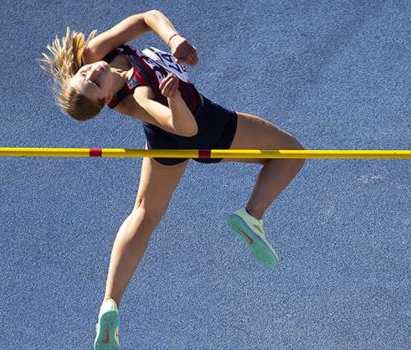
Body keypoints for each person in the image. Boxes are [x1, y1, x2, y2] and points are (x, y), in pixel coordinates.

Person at [40, 9, 305, 349]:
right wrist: (175, 98)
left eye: (83, 74)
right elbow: (186, 128)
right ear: (106, 99)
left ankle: (110, 304)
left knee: (145, 212)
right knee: (291, 153)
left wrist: (173, 39)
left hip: (164, 140)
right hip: (199, 125)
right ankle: (251, 216)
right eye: (93, 82)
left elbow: (146, 17)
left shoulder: (95, 53)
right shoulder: (138, 96)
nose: (91, 71)